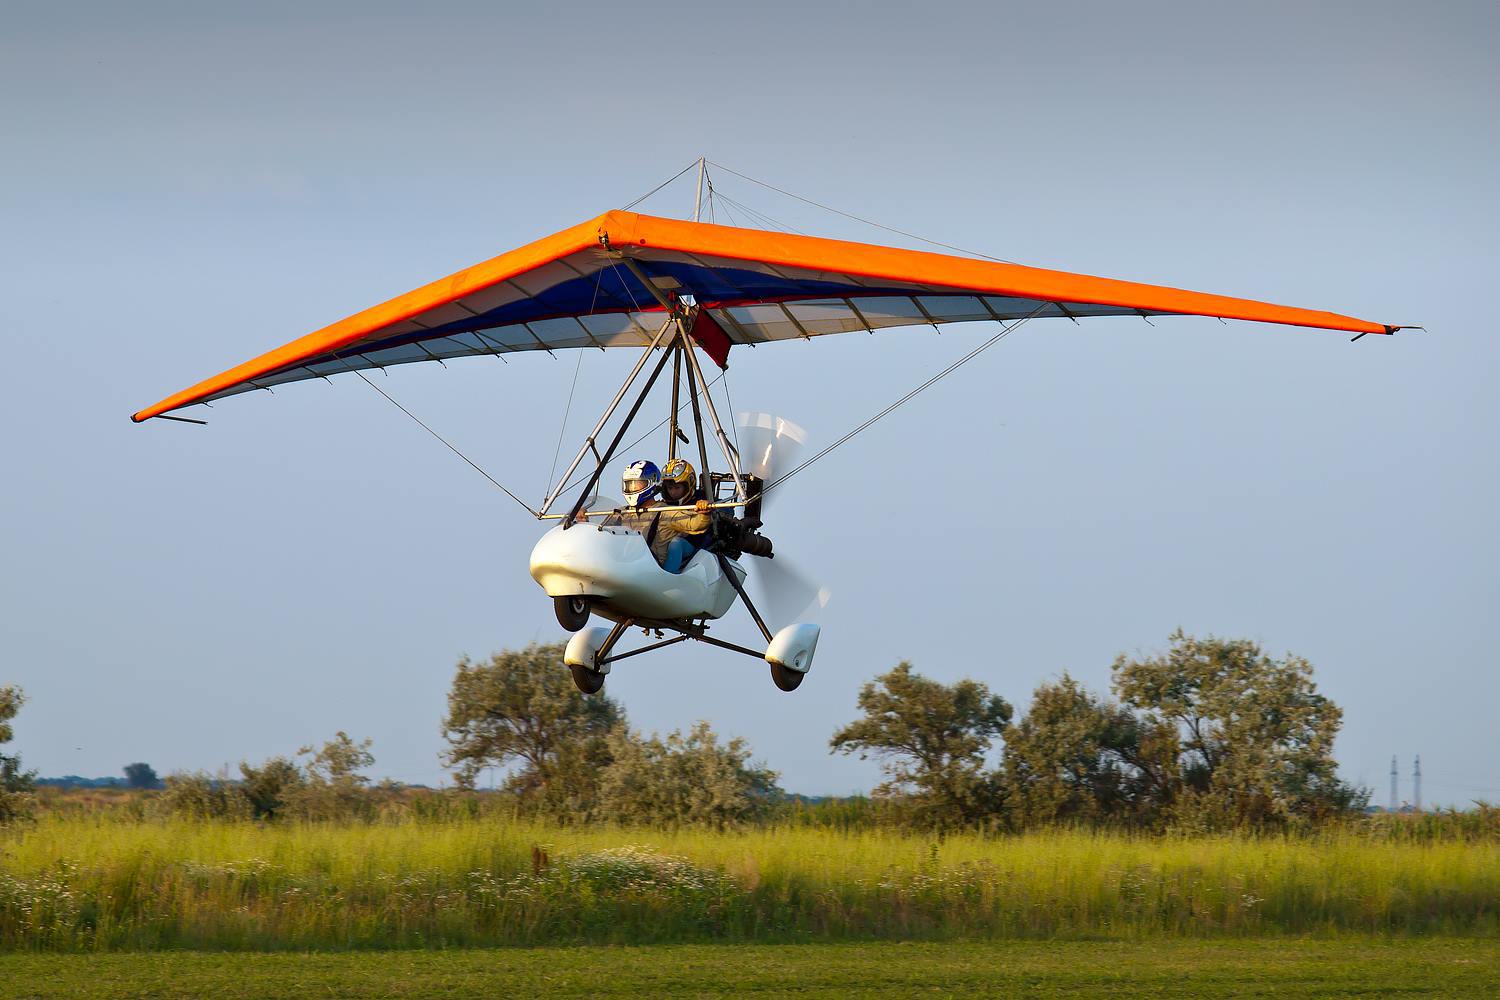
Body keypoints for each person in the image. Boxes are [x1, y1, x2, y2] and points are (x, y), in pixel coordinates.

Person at [612, 458, 712, 573]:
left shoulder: (664, 511)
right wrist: (586, 520)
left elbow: (695, 524)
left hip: (655, 570)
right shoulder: (622, 513)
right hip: (627, 565)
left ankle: (669, 578)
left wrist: (704, 512)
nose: (633, 489)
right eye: (630, 485)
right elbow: (600, 530)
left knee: (676, 544)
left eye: (638, 485)